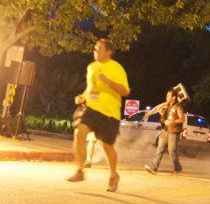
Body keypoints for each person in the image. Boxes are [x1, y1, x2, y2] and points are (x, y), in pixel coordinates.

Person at [67, 38, 130, 192]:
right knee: (79, 132)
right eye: (95, 48)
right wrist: (82, 97)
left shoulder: (116, 68)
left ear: (108, 52)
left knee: (106, 146)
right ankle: (80, 170)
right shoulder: (91, 67)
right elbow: (90, 88)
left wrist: (108, 81)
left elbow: (125, 91)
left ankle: (113, 174)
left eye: (99, 48)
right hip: (92, 108)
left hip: (109, 113)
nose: (95, 51)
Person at [144, 89, 185, 175]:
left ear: (173, 97)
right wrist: (151, 113)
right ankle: (153, 167)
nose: (166, 97)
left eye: (168, 96)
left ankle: (177, 169)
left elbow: (182, 119)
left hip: (173, 132)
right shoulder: (166, 106)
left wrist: (172, 122)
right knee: (160, 148)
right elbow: (160, 111)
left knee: (172, 151)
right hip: (165, 130)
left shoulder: (178, 107)